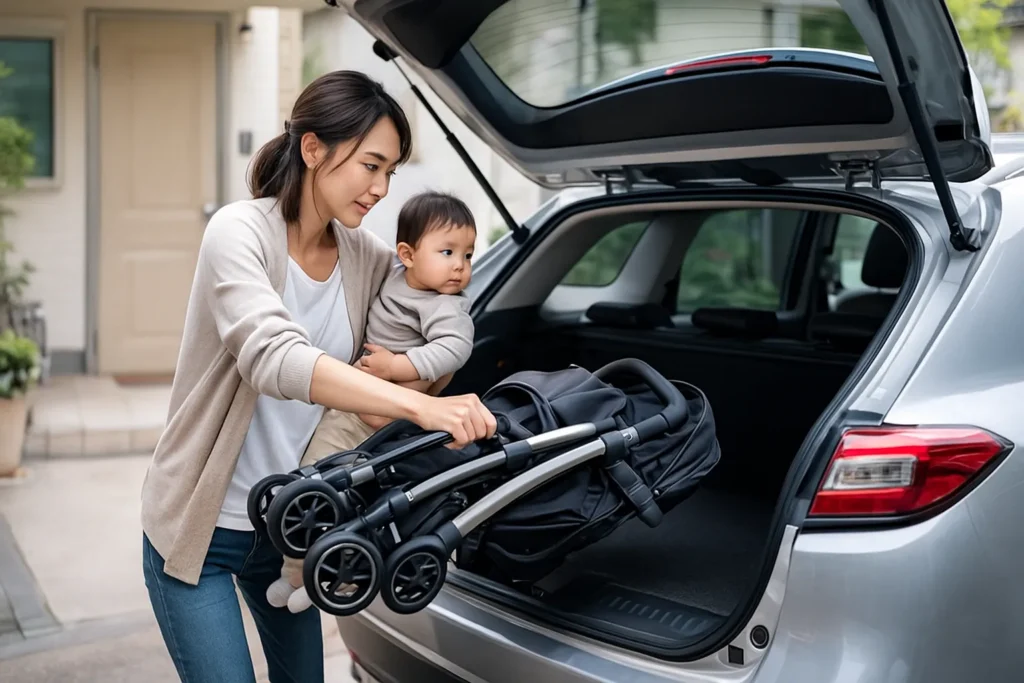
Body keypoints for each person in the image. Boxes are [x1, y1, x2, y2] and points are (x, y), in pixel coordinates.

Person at [139, 71, 496, 683]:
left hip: (294, 527)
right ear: (313, 150)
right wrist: (420, 408)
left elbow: (437, 315)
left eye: (392, 173)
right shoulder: (239, 232)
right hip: (201, 532)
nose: (382, 190)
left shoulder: (370, 259)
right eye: (371, 166)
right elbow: (275, 357)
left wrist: (432, 373)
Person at [265, 190, 478, 613]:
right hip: (352, 407)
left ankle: (320, 577)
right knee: (317, 482)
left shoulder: (445, 306)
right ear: (408, 254)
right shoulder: (391, 275)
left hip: (380, 420)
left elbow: (455, 350)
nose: (460, 265)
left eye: (468, 255)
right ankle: (294, 572)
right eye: (448, 251)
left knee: (343, 498)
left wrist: (399, 366)